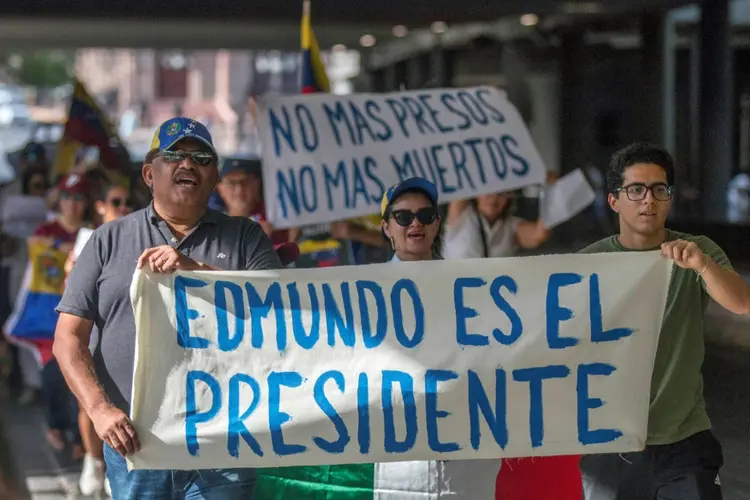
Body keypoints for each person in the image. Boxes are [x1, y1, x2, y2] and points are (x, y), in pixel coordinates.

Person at [52, 117, 296, 500]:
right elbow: (67, 339)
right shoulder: (107, 240)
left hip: (226, 440)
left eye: (200, 157)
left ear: (214, 175)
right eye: (174, 156)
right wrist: (99, 410)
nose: (188, 165)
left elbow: (280, 316)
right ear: (150, 173)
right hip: (137, 442)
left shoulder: (246, 237)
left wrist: (197, 272)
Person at [578, 143, 750, 500]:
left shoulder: (697, 251)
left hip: (684, 441)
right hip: (610, 442)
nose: (648, 200)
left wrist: (703, 266)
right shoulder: (586, 265)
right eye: (636, 190)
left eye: (660, 189)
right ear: (614, 200)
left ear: (670, 198)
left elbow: (742, 302)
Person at [380, 177, 500, 497]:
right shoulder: (366, 292)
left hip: (464, 442)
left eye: (426, 215)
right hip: (399, 446)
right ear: (387, 227)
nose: (415, 223)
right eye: (403, 217)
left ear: (437, 224)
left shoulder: (472, 286)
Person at [71, 183, 133, 497]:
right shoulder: (90, 239)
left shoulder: (136, 237)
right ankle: (93, 460)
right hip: (91, 325)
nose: (123, 207)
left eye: (128, 202)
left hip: (120, 327)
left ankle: (111, 464)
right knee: (91, 398)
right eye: (115, 201)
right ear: (100, 205)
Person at [215, 156, 300, 243]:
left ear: (257, 184)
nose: (239, 189)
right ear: (220, 188)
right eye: (231, 183)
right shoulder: (211, 223)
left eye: (245, 181)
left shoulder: (279, 216)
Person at [443, 191, 549, 259]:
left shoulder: (511, 225)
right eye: (488, 192)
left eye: (501, 193)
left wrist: (549, 192)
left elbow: (538, 235)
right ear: (476, 195)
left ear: (509, 198)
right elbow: (462, 184)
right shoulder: (462, 215)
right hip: (455, 290)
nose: (493, 198)